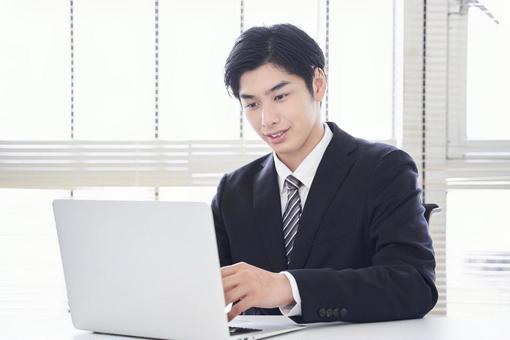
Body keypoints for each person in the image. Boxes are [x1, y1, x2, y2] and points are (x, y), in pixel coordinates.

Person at [212, 23, 437, 324]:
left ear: (318, 84)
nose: (267, 120)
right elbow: (203, 287)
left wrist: (289, 287)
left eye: (280, 97)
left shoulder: (384, 170)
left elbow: (413, 284)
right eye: (252, 104)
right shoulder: (234, 190)